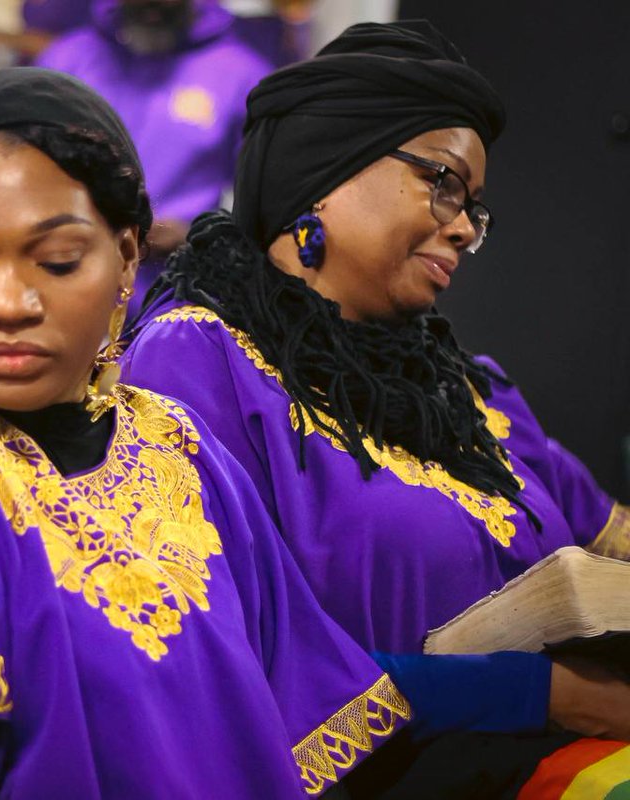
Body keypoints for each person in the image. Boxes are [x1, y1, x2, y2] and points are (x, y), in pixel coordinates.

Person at [0, 67, 411, 799]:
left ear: (128, 257)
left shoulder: (179, 446)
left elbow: (317, 733)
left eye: (58, 261)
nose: (7, 302)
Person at [120, 20, 630, 795]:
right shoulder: (197, 361)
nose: (463, 226)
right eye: (444, 183)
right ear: (327, 170)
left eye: (474, 208)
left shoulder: (466, 390)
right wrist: (547, 694)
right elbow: (223, 656)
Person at [36, 0, 275, 316]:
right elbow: (23, 171)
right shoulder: (66, 61)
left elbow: (268, 202)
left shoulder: (241, 75)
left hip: (181, 295)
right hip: (65, 284)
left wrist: (198, 233)